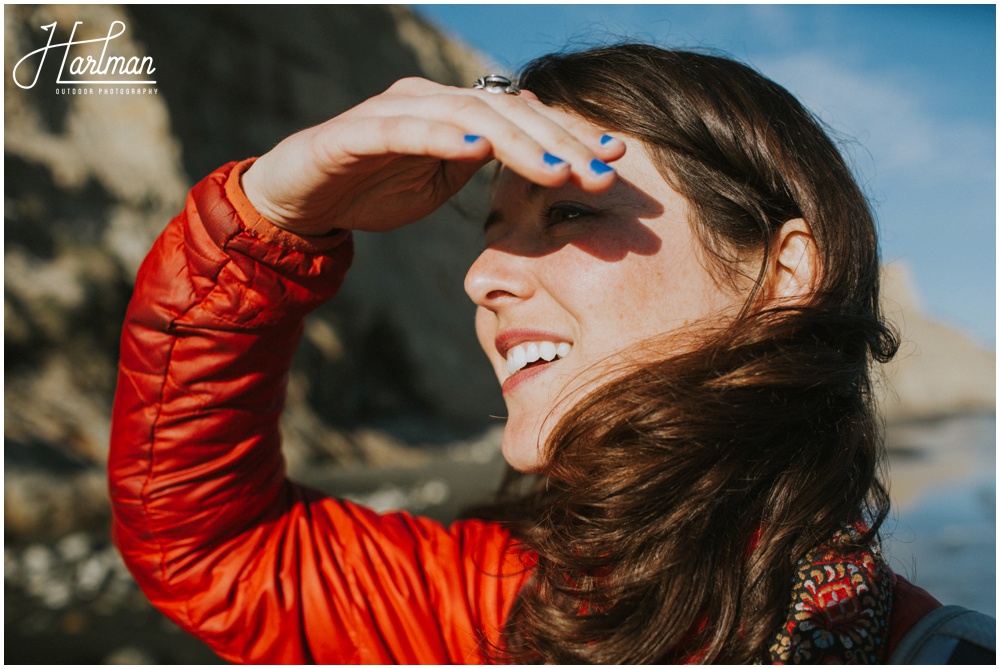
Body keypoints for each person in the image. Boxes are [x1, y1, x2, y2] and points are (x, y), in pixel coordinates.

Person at [109, 44, 948, 663]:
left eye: (570, 214)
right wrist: (270, 217)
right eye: (493, 230)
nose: (481, 276)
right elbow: (207, 547)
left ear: (781, 271)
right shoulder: (493, 609)